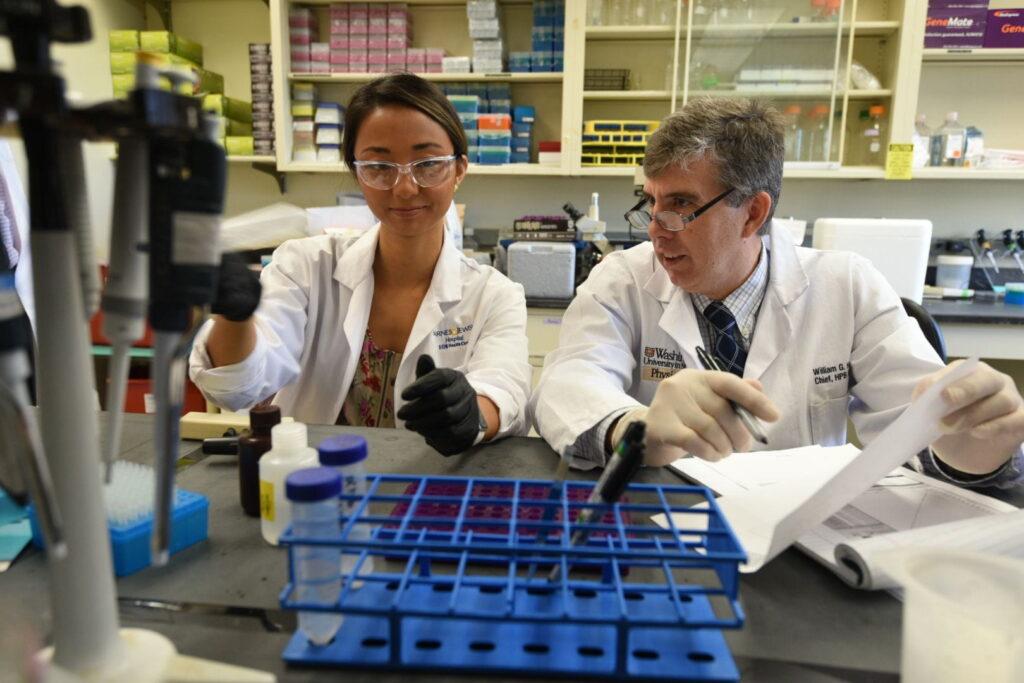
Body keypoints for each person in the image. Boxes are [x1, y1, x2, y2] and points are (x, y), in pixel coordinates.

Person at [530, 97, 1023, 488]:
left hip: (802, 544)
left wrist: (969, 454)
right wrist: (636, 428)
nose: (655, 230)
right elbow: (567, 383)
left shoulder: (846, 285)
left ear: (753, 212)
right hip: (660, 520)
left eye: (680, 205)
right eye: (649, 202)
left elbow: (921, 426)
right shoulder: (622, 279)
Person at [190, 73, 532, 455]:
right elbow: (239, 388)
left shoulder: (495, 295)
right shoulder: (304, 267)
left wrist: (471, 413)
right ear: (357, 173)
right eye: (380, 167)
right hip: (311, 487)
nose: (405, 188)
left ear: (459, 170)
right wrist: (234, 315)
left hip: (431, 489)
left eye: (428, 163)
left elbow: (507, 390)